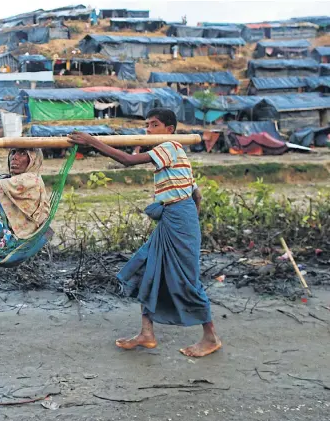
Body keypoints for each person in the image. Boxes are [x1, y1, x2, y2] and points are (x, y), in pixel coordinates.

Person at [67, 108, 221, 358]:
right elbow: (197, 193)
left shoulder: (170, 146)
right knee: (147, 267)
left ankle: (210, 337)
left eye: (154, 125)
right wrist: (184, 215)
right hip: (175, 218)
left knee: (187, 279)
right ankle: (147, 332)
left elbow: (127, 161)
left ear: (169, 129)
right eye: (147, 125)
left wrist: (92, 142)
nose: (148, 130)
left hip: (180, 220)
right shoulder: (175, 152)